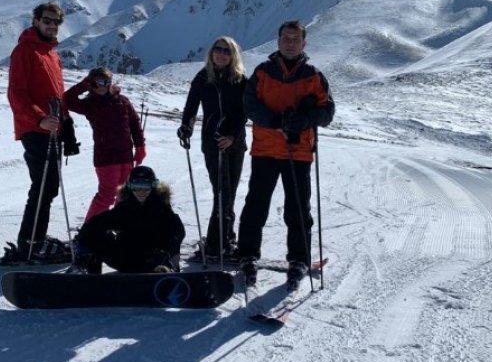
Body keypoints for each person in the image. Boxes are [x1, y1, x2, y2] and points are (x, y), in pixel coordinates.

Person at [237, 20, 335, 290]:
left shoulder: (314, 76)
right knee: (256, 205)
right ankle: (247, 254)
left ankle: (299, 259)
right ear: (278, 41)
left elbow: (327, 113)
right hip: (266, 149)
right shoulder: (263, 72)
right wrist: (277, 120)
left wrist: (303, 120)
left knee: (298, 209)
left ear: (304, 43)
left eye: (295, 38)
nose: (290, 42)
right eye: (285, 38)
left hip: (298, 152)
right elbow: (249, 105)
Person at [2, 1, 80, 264]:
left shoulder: (51, 54)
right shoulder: (25, 51)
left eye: (56, 22)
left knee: (49, 186)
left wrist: (66, 128)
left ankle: (36, 240)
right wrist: (39, 119)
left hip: (52, 128)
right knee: (44, 185)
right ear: (36, 21)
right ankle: (31, 243)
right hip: (35, 129)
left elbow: (57, 96)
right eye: (47, 20)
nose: (51, 25)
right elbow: (16, 94)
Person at [177, 36, 247, 259]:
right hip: (212, 144)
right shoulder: (202, 78)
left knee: (229, 193)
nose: (221, 53)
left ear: (233, 55)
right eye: (218, 49)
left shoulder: (240, 80)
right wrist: (185, 127)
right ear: (211, 52)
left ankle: (226, 237)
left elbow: (244, 112)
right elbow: (190, 107)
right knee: (222, 194)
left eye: (226, 51)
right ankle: (217, 243)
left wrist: (232, 135)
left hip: (235, 144)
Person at [63, 66, 146, 222]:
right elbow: (67, 99)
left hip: (126, 156)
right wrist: (83, 84)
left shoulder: (122, 101)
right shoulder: (89, 104)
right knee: (107, 196)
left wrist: (140, 147)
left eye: (105, 81)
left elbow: (134, 124)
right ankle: (88, 232)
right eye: (97, 82)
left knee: (124, 195)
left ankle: (117, 228)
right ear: (91, 84)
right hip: (106, 158)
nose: (102, 86)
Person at [72, 165, 185, 274]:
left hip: (153, 261)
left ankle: (166, 271)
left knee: (166, 246)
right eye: (137, 187)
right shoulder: (125, 207)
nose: (141, 191)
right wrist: (84, 242)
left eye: (145, 186)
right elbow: (96, 223)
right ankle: (89, 278)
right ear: (130, 187)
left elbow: (178, 231)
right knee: (95, 235)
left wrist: (169, 254)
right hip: (126, 259)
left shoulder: (161, 208)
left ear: (153, 186)